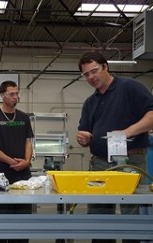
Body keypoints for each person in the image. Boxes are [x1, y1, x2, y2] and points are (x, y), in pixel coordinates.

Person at [76, 51, 153, 243]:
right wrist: (83, 138)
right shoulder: (90, 102)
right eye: (86, 75)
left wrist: (128, 132)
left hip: (130, 161)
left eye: (94, 71)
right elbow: (85, 131)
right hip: (100, 164)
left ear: (105, 67)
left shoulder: (129, 87)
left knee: (131, 214)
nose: (91, 77)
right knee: (99, 214)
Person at [0, 80, 34, 243]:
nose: (15, 97)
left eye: (17, 93)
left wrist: (26, 161)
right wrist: (12, 161)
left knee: (22, 222)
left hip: (23, 175)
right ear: (2, 95)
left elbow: (28, 142)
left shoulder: (24, 117)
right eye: (12, 94)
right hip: (1, 176)